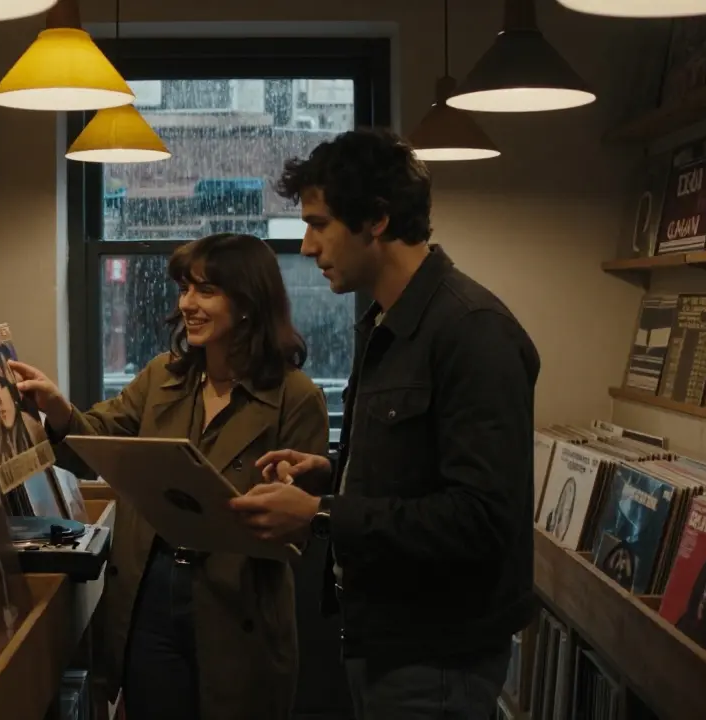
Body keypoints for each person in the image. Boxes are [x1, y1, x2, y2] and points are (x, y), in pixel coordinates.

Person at [227, 128, 540, 720]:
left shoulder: (473, 332)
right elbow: (418, 470)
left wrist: (319, 514)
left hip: (436, 655)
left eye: (319, 223)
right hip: (384, 639)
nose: (306, 246)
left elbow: (480, 519)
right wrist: (333, 475)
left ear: (374, 219)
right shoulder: (388, 324)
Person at [10, 232, 329, 720]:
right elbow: (94, 442)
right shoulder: (162, 375)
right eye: (184, 289)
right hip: (149, 590)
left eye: (205, 290)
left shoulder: (297, 396)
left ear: (247, 302)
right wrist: (57, 407)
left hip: (236, 601)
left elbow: (302, 529)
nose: (187, 304)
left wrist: (282, 500)